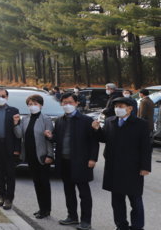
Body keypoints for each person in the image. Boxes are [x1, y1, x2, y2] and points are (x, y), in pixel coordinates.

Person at [92, 97, 151, 230]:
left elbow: (146, 147)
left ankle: (137, 226)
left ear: (130, 108)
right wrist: (97, 130)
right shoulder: (110, 121)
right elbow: (104, 138)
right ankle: (121, 225)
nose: (118, 108)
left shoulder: (140, 123)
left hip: (132, 167)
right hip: (114, 166)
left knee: (135, 200)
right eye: (116, 106)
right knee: (117, 200)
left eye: (121, 106)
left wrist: (145, 167)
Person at [44, 93, 98, 230]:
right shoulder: (60, 120)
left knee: (84, 193)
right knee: (69, 191)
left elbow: (93, 141)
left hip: (81, 162)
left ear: (76, 103)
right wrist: (51, 137)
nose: (67, 105)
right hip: (64, 161)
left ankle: (86, 220)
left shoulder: (86, 120)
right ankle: (72, 217)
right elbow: (59, 138)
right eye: (64, 102)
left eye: (70, 102)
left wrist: (92, 159)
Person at [13, 94, 53, 219]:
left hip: (42, 156)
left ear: (41, 105)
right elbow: (19, 135)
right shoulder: (25, 119)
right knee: (36, 182)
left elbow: (49, 139)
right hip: (30, 155)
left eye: (36, 104)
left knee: (44, 182)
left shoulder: (46, 119)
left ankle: (46, 209)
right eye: (30, 104)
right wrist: (15, 124)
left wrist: (49, 155)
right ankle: (41, 207)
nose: (33, 106)